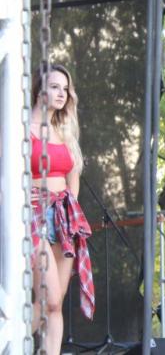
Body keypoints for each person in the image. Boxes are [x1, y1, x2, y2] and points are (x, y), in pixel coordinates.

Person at [30, 64, 94, 353]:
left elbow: (73, 178)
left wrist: (68, 210)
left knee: (55, 305)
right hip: (32, 216)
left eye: (65, 89)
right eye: (55, 86)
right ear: (39, 89)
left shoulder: (65, 130)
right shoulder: (18, 128)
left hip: (63, 217)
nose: (61, 93)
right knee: (50, 298)